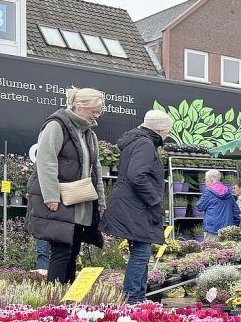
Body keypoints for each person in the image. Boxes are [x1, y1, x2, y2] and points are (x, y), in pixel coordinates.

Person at [25, 87, 107, 284]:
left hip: (80, 201)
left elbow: (95, 168)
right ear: (79, 106)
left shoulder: (89, 134)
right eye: (93, 111)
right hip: (60, 199)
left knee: (73, 251)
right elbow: (46, 161)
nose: (96, 115)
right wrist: (51, 196)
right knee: (61, 251)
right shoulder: (56, 125)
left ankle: (66, 302)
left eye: (99, 111)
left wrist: (100, 199)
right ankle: (52, 302)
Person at [100, 110, 173, 304]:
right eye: (167, 131)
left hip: (130, 205)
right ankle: (133, 300)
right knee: (141, 253)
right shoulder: (145, 144)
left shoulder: (136, 141)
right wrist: (154, 199)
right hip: (136, 207)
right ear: (161, 129)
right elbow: (137, 175)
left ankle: (136, 298)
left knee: (140, 252)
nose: (167, 135)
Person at [196, 169, 240, 241]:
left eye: (206, 180)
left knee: (210, 251)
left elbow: (199, 207)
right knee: (227, 251)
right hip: (227, 230)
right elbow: (236, 210)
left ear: (210, 180)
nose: (205, 182)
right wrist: (235, 225)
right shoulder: (228, 192)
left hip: (212, 229)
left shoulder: (208, 192)